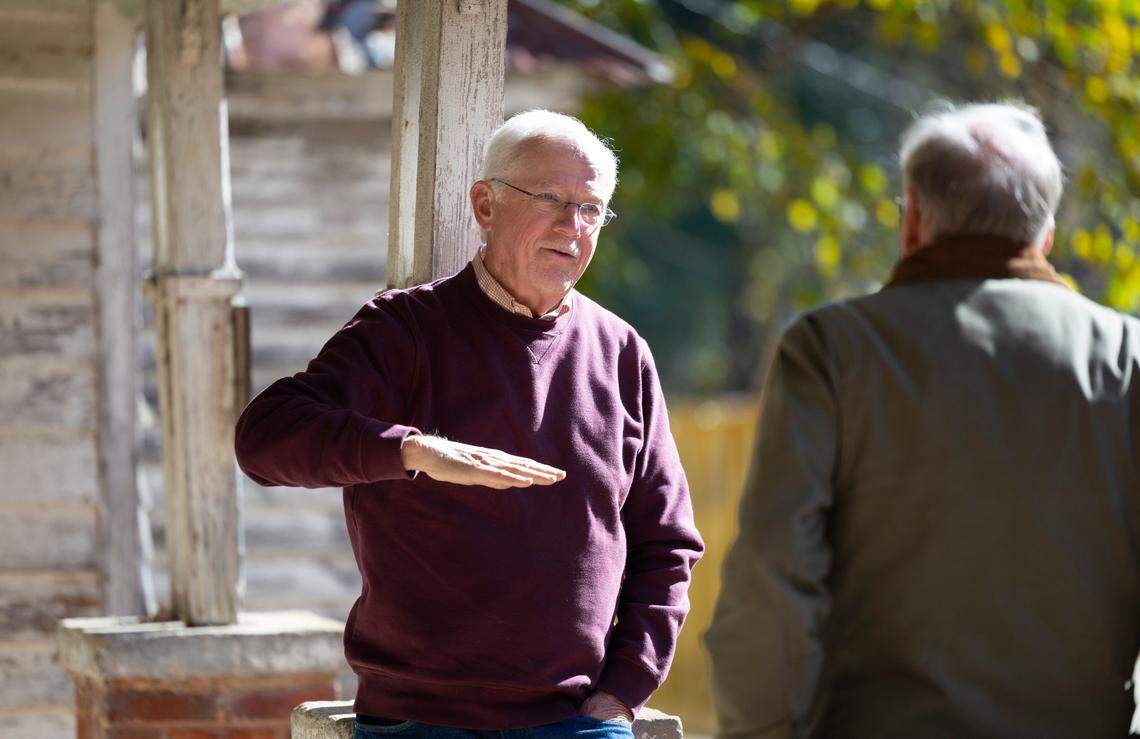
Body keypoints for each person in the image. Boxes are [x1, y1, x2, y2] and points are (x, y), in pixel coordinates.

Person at [235, 109, 703, 738]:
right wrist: (414, 451)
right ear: (485, 205)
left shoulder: (621, 353)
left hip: (575, 723)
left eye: (591, 209)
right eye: (552, 199)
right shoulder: (403, 331)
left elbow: (667, 544)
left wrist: (623, 692)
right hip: (421, 720)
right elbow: (264, 439)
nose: (573, 225)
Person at [705, 101, 1140, 738]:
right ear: (1045, 233)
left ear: (911, 219)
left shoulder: (832, 349)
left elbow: (774, 579)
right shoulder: (1126, 359)